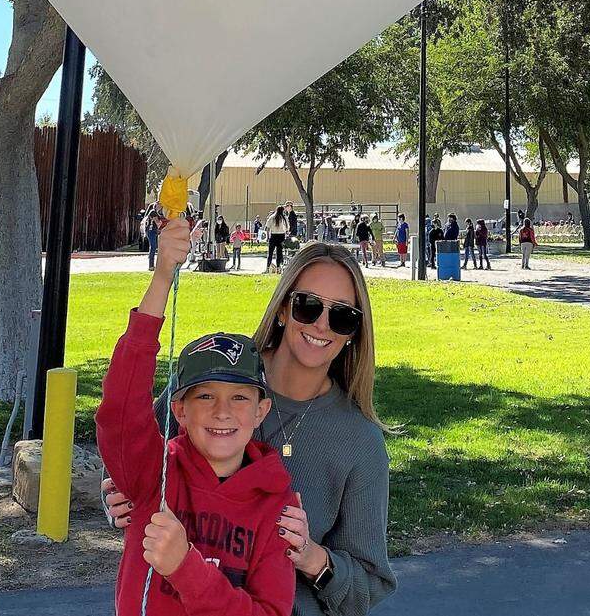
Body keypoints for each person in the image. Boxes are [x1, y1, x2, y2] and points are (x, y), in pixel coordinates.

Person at [105, 227, 397, 616]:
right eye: (307, 306)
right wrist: (116, 496)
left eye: (342, 316)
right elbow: (126, 436)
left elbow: (368, 587)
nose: (322, 325)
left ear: (354, 332)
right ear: (282, 308)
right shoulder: (218, 371)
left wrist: (311, 556)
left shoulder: (358, 440)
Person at [98, 221, 296, 615]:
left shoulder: (278, 507)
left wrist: (184, 568)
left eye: (239, 397)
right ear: (179, 410)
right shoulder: (154, 474)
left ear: (261, 411)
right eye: (204, 395)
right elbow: (121, 406)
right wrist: (162, 277)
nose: (222, 411)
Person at [266, 206, 290, 273]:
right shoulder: (284, 218)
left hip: (273, 235)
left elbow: (267, 228)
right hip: (281, 236)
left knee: (270, 253)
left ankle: (268, 267)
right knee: (279, 253)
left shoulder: (272, 217)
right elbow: (287, 228)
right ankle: (278, 268)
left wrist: (268, 237)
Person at [145, 203, 162, 271]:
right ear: (156, 205)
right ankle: (151, 266)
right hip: (151, 231)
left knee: (155, 247)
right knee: (153, 247)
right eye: (159, 205)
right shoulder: (153, 212)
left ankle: (153, 265)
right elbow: (157, 222)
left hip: (154, 231)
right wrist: (160, 224)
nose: (161, 206)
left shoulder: (157, 213)